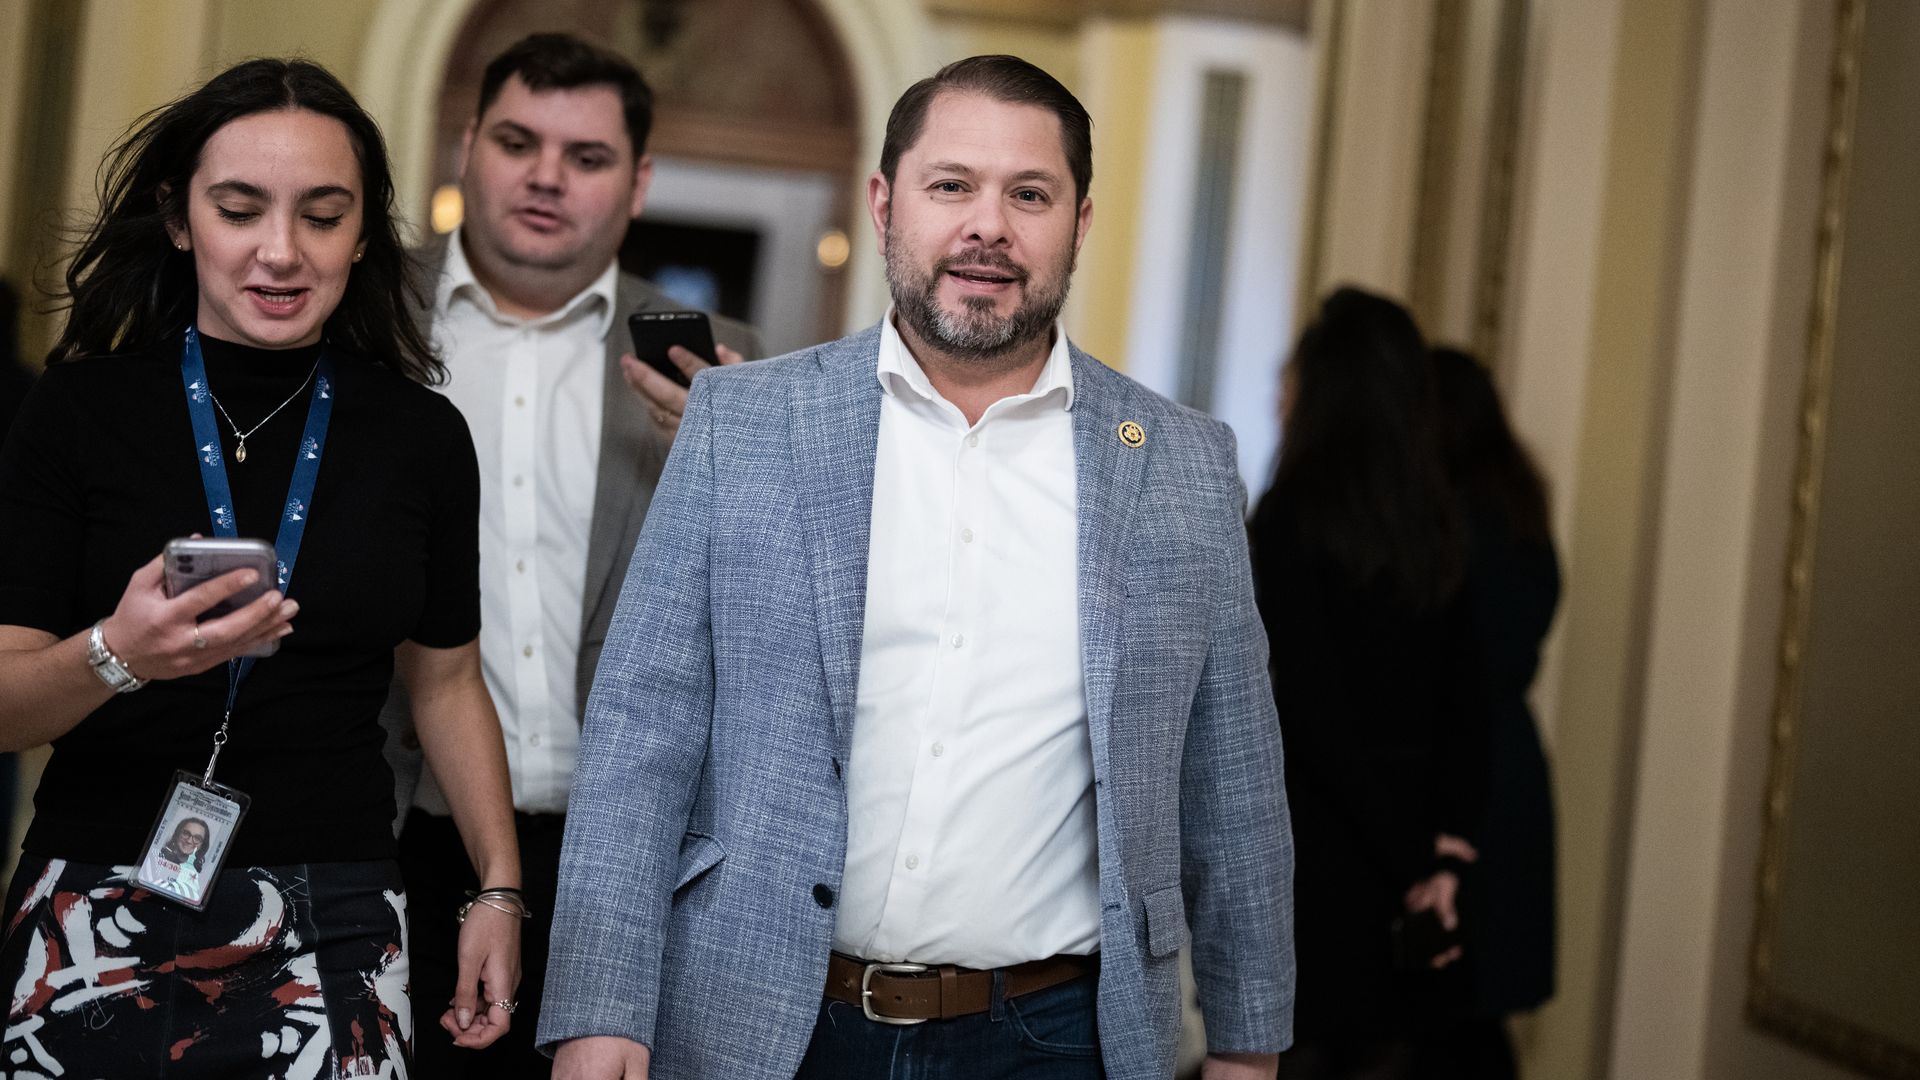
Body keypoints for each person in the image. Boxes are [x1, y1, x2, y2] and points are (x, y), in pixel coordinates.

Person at [537, 54, 1295, 1080]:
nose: (989, 226)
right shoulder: (743, 423)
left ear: (1080, 222)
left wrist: (1248, 1044)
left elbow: (1233, 780)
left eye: (1030, 195)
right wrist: (601, 1005)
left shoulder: (1182, 465)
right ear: (886, 203)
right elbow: (642, 735)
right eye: (952, 185)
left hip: (1055, 1041)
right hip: (759, 1022)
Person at [0, 58, 522, 1076]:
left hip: (335, 911)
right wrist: (119, 653)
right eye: (239, 210)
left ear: (362, 234)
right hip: (94, 899)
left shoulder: (419, 437)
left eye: (322, 216)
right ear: (179, 218)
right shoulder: (76, 414)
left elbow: (448, 682)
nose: (280, 251)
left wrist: (498, 888)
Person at [379, 32, 759, 1079]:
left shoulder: (730, 370)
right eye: (518, 143)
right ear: (468, 145)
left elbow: (780, 634)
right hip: (390, 831)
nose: (546, 176)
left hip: (627, 865)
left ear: (637, 183)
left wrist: (731, 467)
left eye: (586, 157)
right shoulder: (360, 319)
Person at [1249, 289, 1488, 1080]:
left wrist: (1416, 858)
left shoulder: (1291, 518)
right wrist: (1441, 861)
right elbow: (1468, 705)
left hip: (1317, 847)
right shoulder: (1440, 521)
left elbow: (1310, 711)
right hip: (1415, 864)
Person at [1413, 348, 1559, 1080]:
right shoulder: (1520, 509)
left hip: (1460, 763)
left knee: (1445, 996)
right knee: (1479, 1003)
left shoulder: (1449, 521)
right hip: (1514, 761)